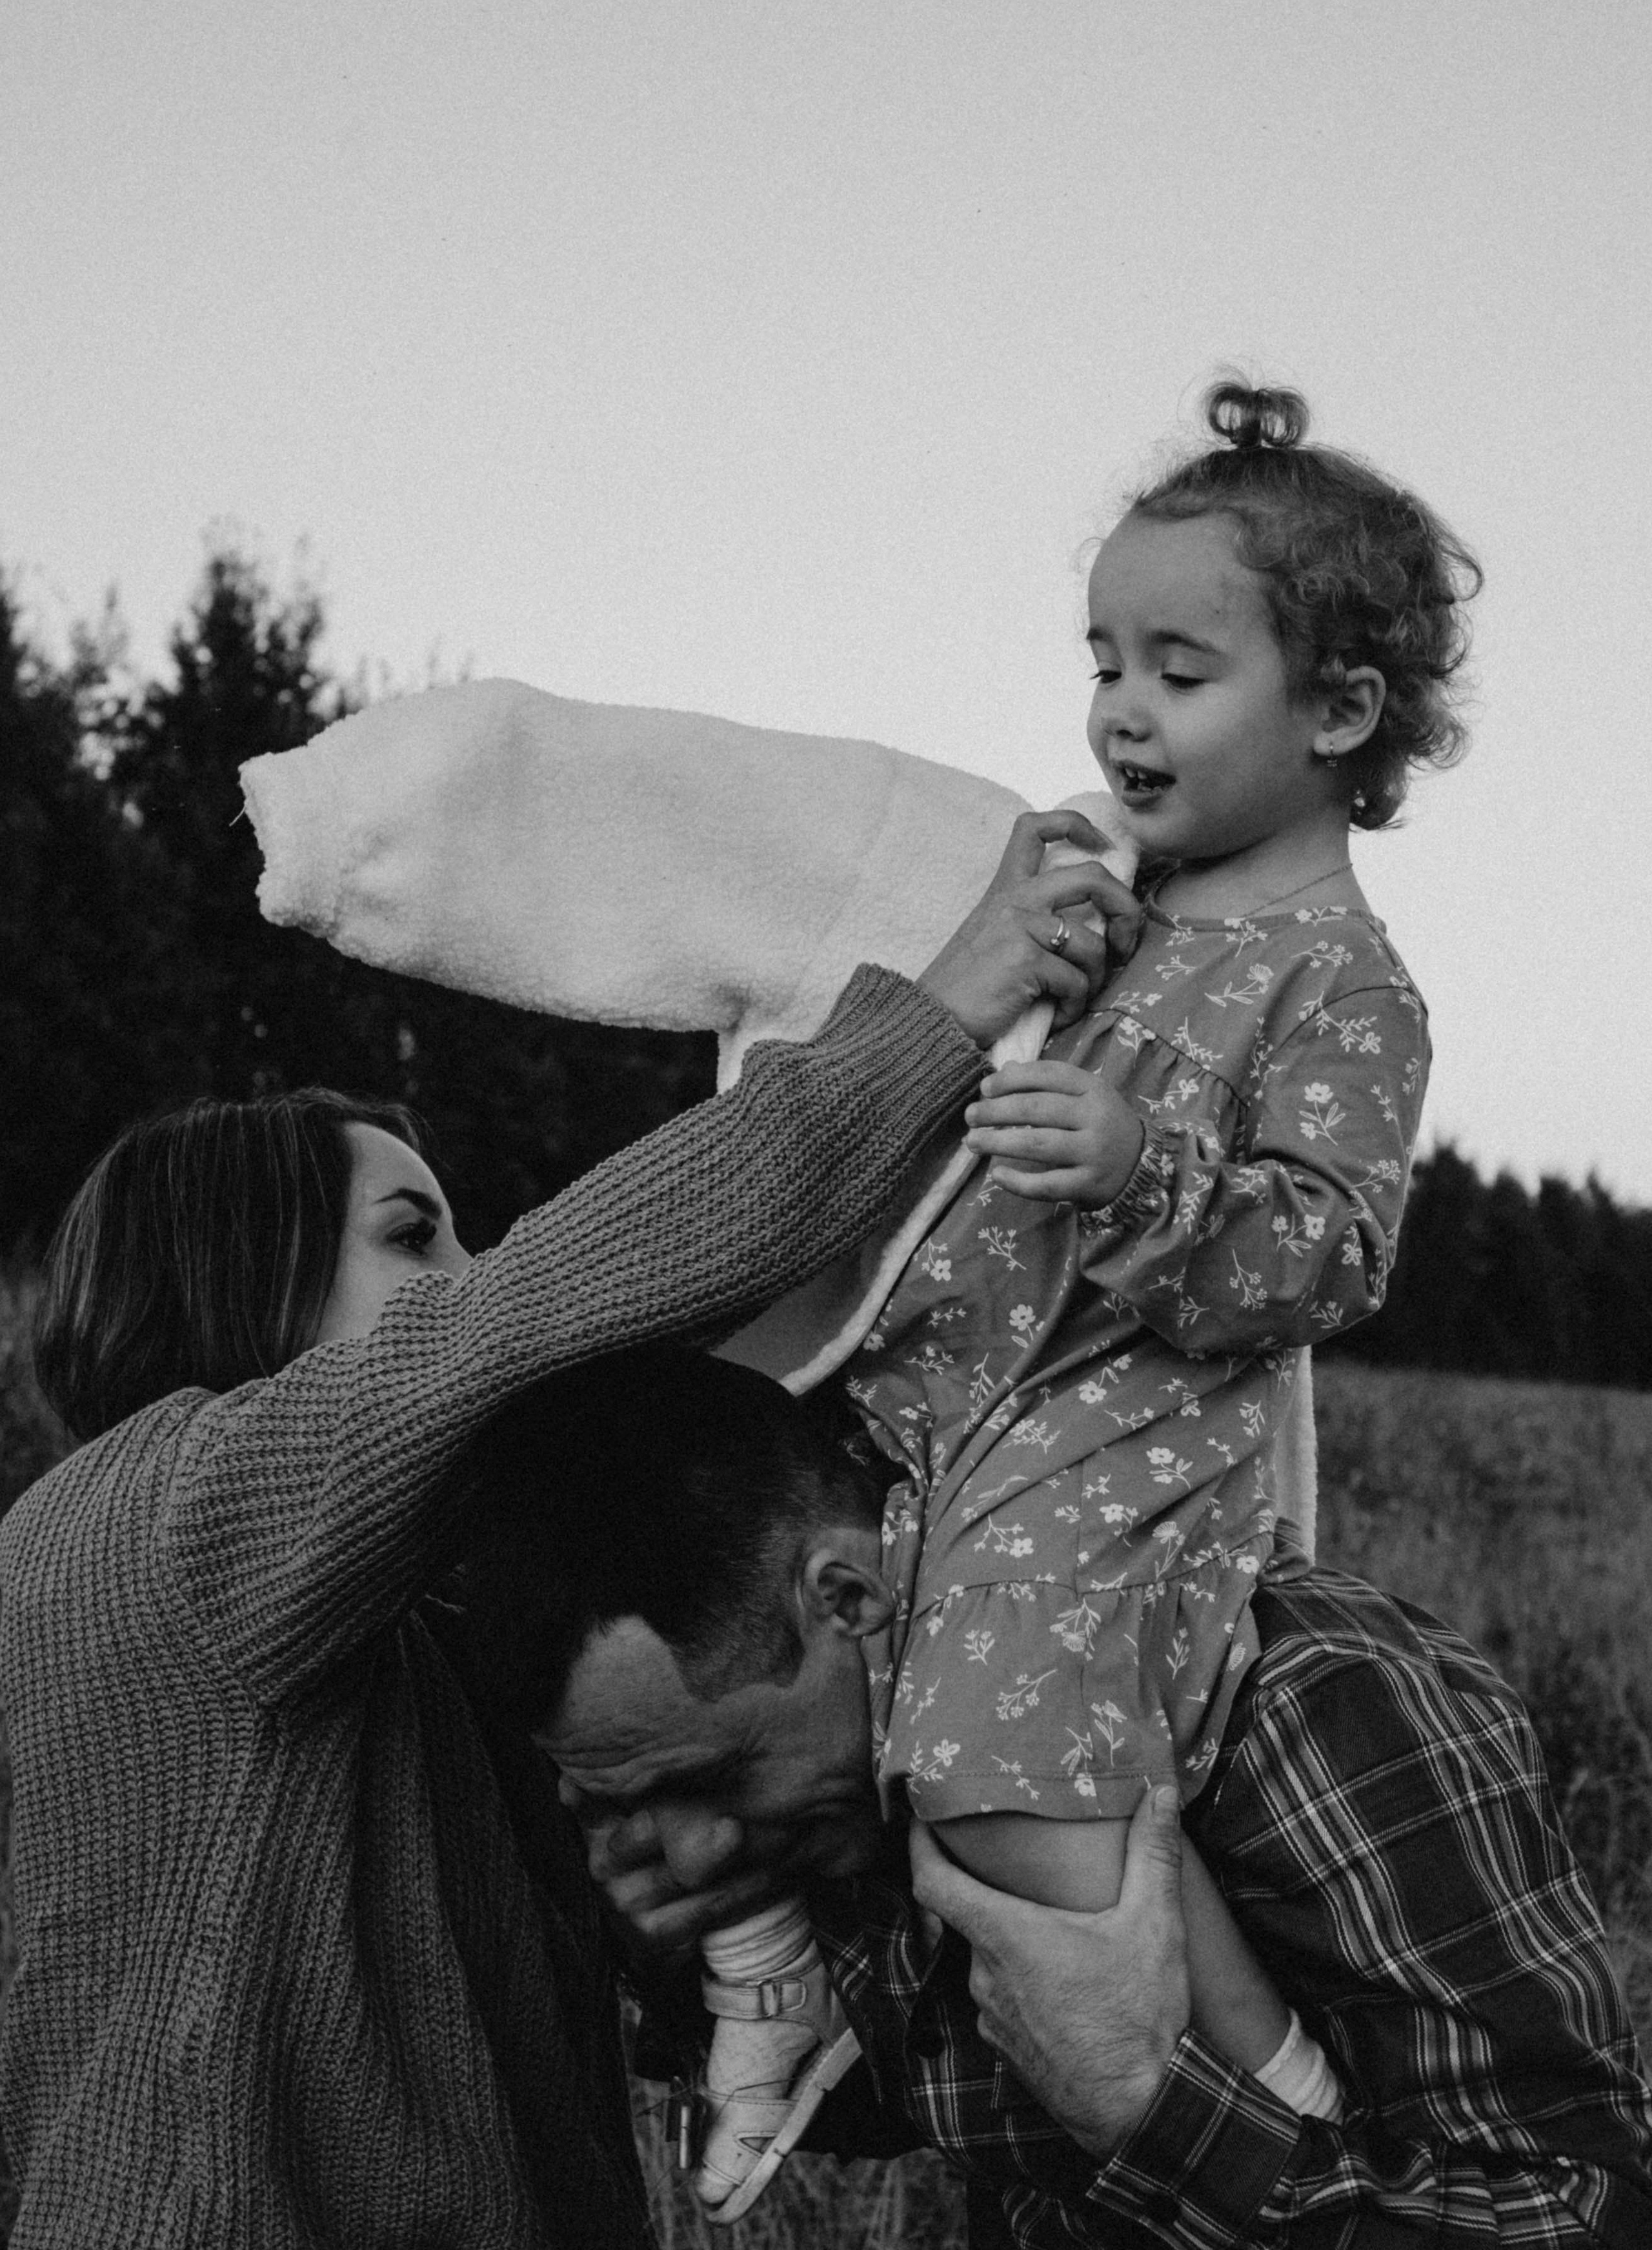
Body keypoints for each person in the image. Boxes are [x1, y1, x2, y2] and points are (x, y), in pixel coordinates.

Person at [0, 816, 1134, 2250]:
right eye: (417, 1239)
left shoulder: (412, 1634)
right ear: (233, 1273)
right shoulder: (158, 1529)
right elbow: (531, 1323)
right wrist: (941, 1017)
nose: (470, 1276)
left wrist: (662, 1943)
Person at [682, 378, 1480, 2213]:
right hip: (914, 1403)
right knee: (700, 1615)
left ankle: (1268, 2109)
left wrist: (1147, 1171)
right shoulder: (1109, 901)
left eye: (1179, 668)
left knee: (998, 1761)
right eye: (1103, 656)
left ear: (1340, 711)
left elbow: (1333, 1255)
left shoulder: (1345, 985)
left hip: (1104, 1451)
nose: (1121, 705)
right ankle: (768, 1963)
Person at [501, 1349, 1652, 2247]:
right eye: (630, 1805)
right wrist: (680, 1964)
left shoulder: (1313, 1710)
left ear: (848, 1595)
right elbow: (918, 2104)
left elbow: (1587, 2220)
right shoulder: (859, 1788)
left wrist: (1150, 2106)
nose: (694, 1853)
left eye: (715, 1776)